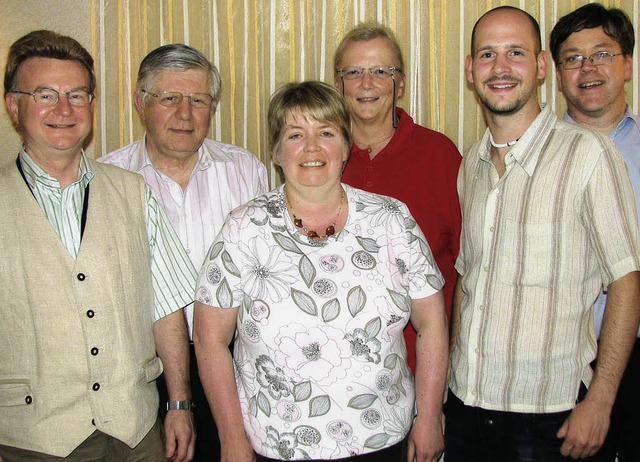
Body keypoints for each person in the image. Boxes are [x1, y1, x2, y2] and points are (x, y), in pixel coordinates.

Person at [193, 81, 449, 461]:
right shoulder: (243, 228)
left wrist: (429, 417)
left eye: (326, 133)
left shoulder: (393, 219)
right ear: (277, 152)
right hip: (278, 446)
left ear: (346, 146)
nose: (312, 148)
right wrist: (231, 437)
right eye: (296, 135)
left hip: (384, 438)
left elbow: (433, 323)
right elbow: (210, 339)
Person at [446, 6, 640, 461]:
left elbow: (627, 280)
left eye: (515, 52)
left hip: (549, 418)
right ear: (471, 71)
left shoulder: (588, 154)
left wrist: (601, 400)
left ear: (538, 67)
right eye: (487, 54)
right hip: (466, 406)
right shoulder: (469, 165)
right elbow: (468, 280)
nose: (500, 67)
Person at [0, 30, 196, 461]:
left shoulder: (133, 191)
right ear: (14, 106)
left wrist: (179, 404)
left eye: (77, 94)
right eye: (45, 95)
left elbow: (166, 308)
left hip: (136, 433)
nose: (64, 109)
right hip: (30, 443)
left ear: (92, 103)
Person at [100, 43, 268, 460]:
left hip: (235, 363)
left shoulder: (246, 171)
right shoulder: (107, 179)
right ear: (141, 103)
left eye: (198, 100)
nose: (185, 114)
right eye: (170, 98)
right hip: (143, 369)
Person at [335, 23, 461, 373]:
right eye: (354, 72)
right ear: (338, 83)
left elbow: (470, 267)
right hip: (339, 375)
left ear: (401, 83)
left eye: (381, 71)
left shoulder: (440, 156)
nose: (366, 84)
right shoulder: (319, 159)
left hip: (425, 371)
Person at [550, 4, 640, 461]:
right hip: (559, 361)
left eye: (602, 54)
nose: (587, 68)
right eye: (572, 57)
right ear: (557, 74)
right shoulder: (531, 160)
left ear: (627, 64)